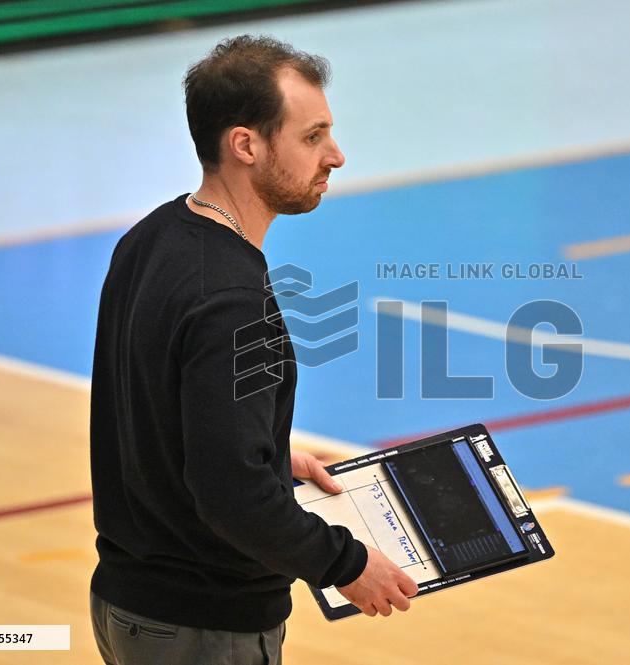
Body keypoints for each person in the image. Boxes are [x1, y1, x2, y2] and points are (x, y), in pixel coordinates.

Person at [88, 35, 417, 665]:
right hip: (203, 626)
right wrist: (346, 563)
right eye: (313, 136)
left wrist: (258, 446)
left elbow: (153, 409)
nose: (336, 156)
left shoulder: (151, 237)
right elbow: (231, 497)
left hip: (129, 604)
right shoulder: (233, 298)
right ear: (246, 145)